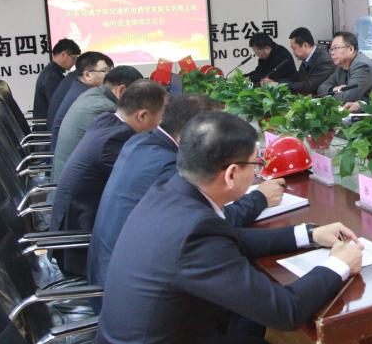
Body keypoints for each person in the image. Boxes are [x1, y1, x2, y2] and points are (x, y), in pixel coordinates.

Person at [84, 111, 365, 344]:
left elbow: (231, 238)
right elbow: (284, 310)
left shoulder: (170, 190)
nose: (258, 172)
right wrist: (338, 265)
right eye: (255, 165)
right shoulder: (194, 234)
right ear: (232, 174)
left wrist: (308, 234)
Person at [87, 94, 286, 292]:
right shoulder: (169, 167)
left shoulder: (141, 141)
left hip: (114, 268)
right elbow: (214, 221)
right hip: (127, 286)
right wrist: (260, 198)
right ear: (193, 133)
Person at [49, 80, 168, 276]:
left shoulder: (107, 120)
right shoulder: (116, 141)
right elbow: (146, 183)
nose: (162, 122)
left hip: (76, 225)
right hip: (81, 247)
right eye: (162, 116)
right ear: (143, 116)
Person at [51, 65, 143, 181]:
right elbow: (124, 155)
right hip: (77, 184)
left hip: (66, 176)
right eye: (139, 97)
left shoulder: (92, 94)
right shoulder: (105, 109)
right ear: (121, 90)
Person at [47, 51, 113, 151]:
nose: (110, 76)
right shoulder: (86, 97)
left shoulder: (77, 86)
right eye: (104, 71)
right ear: (87, 75)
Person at [316, 31, 372, 103]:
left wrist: (329, 94)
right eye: (331, 49)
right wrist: (333, 89)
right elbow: (321, 88)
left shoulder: (362, 65)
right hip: (355, 106)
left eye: (336, 48)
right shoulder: (341, 66)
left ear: (351, 49)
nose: (332, 52)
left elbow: (347, 98)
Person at [267, 27, 333, 95]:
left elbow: (309, 86)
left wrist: (279, 85)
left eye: (294, 48)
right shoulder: (308, 57)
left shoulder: (324, 61)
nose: (293, 52)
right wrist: (275, 82)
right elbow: (297, 77)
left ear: (305, 45)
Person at [32, 38, 80, 127]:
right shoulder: (52, 77)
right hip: (48, 128)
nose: (74, 63)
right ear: (63, 55)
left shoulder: (52, 71)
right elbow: (58, 106)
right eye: (74, 58)